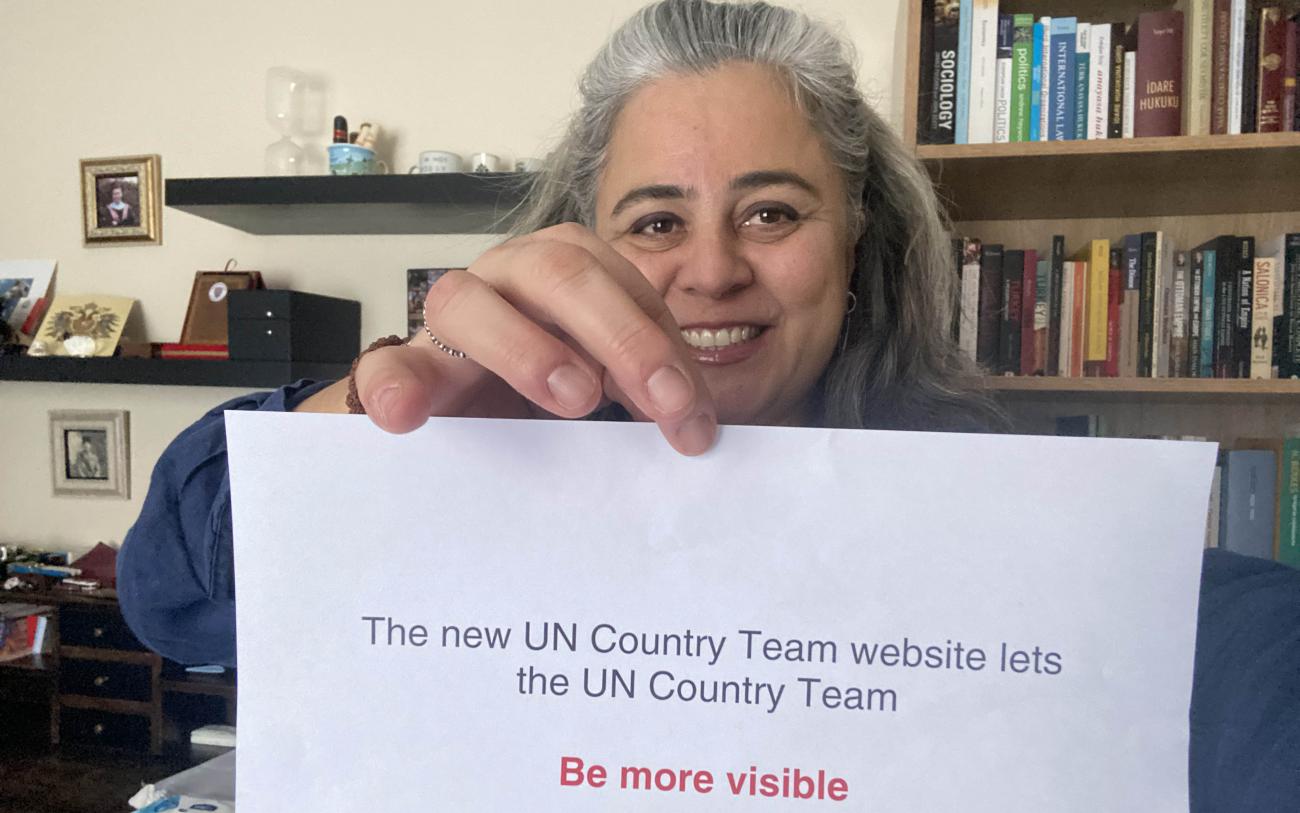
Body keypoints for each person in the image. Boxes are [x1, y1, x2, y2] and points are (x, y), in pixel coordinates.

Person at [116, 1, 1298, 808]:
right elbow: (176, 595)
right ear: (584, 243)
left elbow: (1227, 663)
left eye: (773, 212)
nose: (713, 270)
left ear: (861, 245)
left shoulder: (1018, 537)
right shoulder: (492, 486)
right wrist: (403, 437)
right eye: (654, 221)